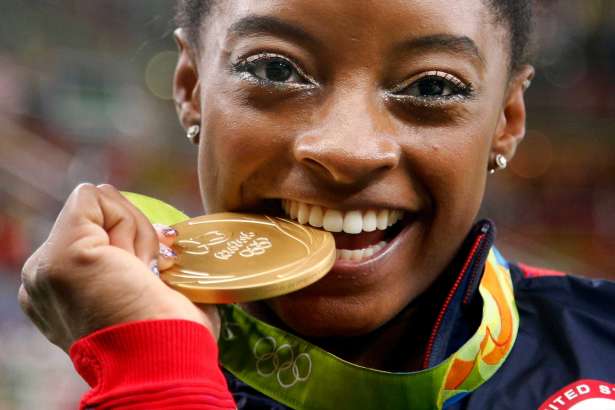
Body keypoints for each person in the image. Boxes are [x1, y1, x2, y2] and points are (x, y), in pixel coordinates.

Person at [19, 0, 615, 409]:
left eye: (433, 86)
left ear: (506, 120)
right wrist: (153, 363)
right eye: (275, 70)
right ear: (192, 88)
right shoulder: (129, 369)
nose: (347, 151)